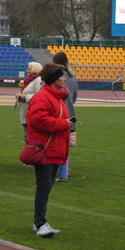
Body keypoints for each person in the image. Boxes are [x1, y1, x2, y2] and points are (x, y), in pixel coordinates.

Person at [27, 63, 72, 238]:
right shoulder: (43, 97)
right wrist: (63, 124)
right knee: (44, 187)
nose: (64, 79)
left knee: (46, 187)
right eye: (61, 76)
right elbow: (38, 120)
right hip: (45, 149)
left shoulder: (57, 97)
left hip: (54, 148)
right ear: (53, 79)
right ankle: (40, 223)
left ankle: (39, 221)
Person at [52, 51, 78, 182]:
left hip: (59, 113)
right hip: (71, 113)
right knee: (65, 145)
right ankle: (65, 171)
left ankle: (61, 172)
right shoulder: (72, 76)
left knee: (58, 144)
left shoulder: (57, 76)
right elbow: (75, 96)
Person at [16, 62, 43, 140]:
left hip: (32, 113)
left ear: (35, 69)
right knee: (27, 137)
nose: (27, 71)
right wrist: (20, 97)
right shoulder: (30, 80)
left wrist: (25, 97)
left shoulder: (38, 80)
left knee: (31, 138)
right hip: (26, 112)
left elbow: (41, 96)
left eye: (29, 69)